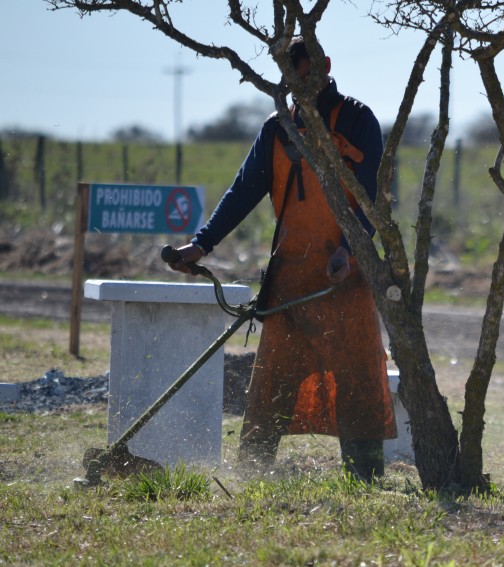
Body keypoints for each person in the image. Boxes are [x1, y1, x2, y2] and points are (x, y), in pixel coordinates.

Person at [167, 36, 396, 480]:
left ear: (326, 65)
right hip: (290, 275)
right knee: (272, 381)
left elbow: (371, 197)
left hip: (344, 278)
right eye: (293, 81)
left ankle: (364, 480)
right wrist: (201, 243)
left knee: (359, 378)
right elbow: (243, 190)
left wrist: (350, 252)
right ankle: (251, 477)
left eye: (307, 75)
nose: (300, 87)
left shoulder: (357, 118)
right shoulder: (277, 129)